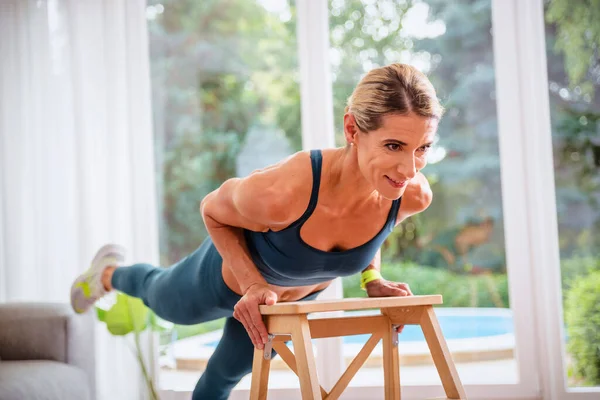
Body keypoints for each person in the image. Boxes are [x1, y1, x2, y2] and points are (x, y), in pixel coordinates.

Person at [70, 62, 443, 400]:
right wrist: (251, 284)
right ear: (352, 129)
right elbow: (212, 209)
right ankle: (106, 273)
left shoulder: (409, 195)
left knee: (222, 377)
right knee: (160, 297)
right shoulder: (285, 192)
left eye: (422, 148)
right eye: (394, 145)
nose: (410, 168)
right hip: (221, 280)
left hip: (282, 306)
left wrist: (372, 278)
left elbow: (371, 229)